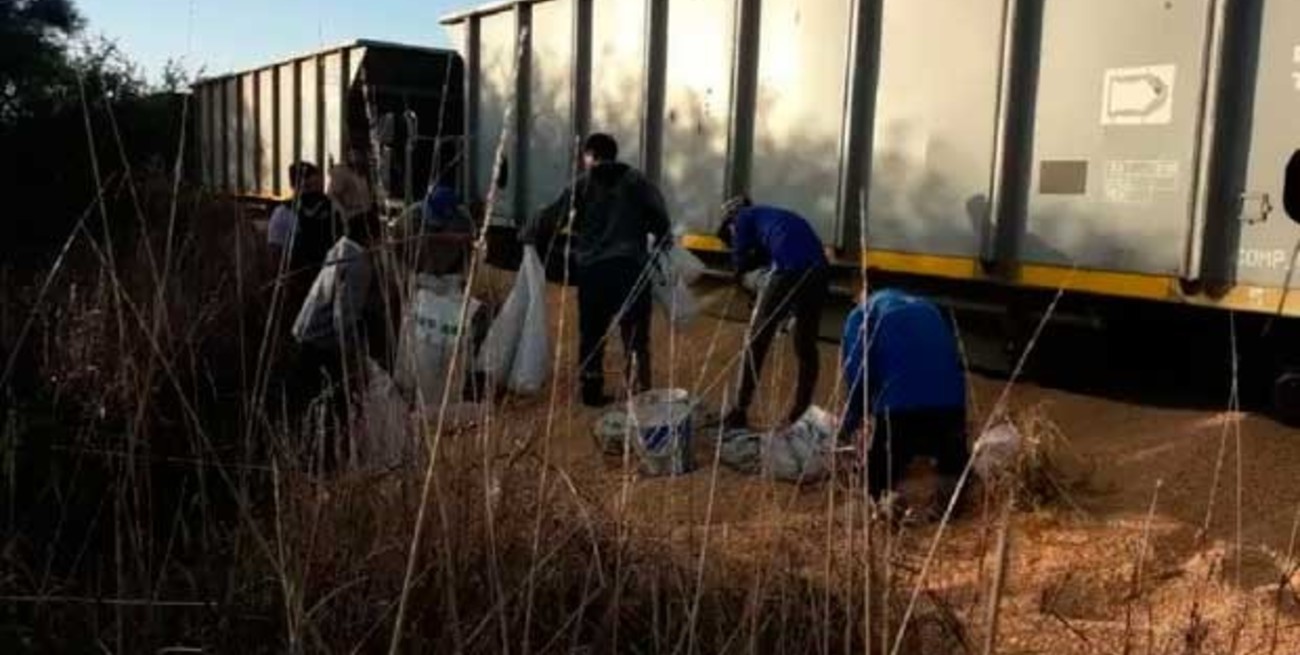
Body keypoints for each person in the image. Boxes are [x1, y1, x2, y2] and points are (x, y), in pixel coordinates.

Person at [530, 133, 671, 407]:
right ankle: (639, 394)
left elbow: (551, 220)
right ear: (614, 153)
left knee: (592, 333)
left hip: (593, 272)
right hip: (631, 270)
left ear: (590, 155)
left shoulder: (581, 185)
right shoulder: (638, 183)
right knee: (635, 336)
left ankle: (592, 391)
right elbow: (662, 224)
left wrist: (531, 237)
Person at [839, 288, 970, 503]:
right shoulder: (929, 308)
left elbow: (859, 377)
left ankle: (885, 504)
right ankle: (950, 499)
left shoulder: (861, 315)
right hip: (951, 408)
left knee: (876, 484)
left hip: (900, 410)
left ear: (859, 295)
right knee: (953, 480)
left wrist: (849, 425)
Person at [716, 196, 829, 430]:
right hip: (820, 272)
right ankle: (801, 411)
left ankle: (738, 411)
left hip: (788, 271)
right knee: (805, 346)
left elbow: (739, 267)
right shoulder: (776, 215)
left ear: (731, 221)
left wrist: (752, 292)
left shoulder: (743, 218)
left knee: (756, 340)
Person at [290, 209, 377, 466]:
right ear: (372, 236)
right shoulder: (360, 261)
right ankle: (326, 465)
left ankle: (306, 460)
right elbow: (344, 317)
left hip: (304, 336)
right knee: (332, 411)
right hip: (322, 347)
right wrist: (354, 359)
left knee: (309, 408)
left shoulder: (340, 247)